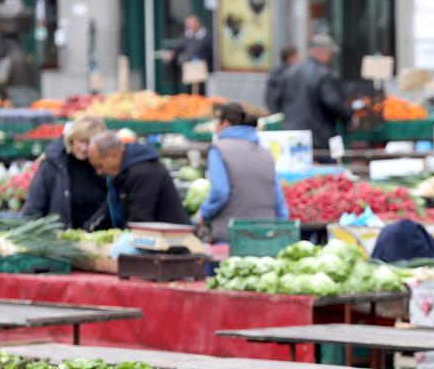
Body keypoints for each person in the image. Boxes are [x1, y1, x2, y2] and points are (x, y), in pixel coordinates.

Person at [196, 102, 288, 240]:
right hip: (266, 235)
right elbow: (278, 199)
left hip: (230, 235)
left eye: (217, 123)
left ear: (225, 124)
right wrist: (282, 228)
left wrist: (203, 214)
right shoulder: (265, 152)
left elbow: (220, 192)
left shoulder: (218, 149)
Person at [87, 131, 190, 228]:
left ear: (113, 155)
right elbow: (109, 208)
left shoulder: (143, 173)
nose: (98, 172)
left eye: (99, 165)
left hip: (172, 242)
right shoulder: (122, 172)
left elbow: (139, 220)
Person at [21, 116, 108, 228]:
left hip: (97, 238)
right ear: (72, 139)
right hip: (59, 239)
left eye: (89, 143)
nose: (83, 148)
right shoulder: (53, 164)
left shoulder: (104, 166)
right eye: (81, 141)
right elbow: (34, 205)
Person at [276, 34, 352, 150]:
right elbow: (333, 103)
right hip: (318, 138)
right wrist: (348, 116)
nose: (330, 57)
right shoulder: (323, 74)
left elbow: (278, 101)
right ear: (323, 52)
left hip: (291, 136)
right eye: (330, 53)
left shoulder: (290, 72)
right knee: (324, 167)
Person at [165, 14, 213, 90]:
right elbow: (180, 46)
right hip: (191, 68)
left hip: (204, 69)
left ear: (197, 24)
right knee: (190, 90)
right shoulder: (187, 36)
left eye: (191, 24)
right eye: (187, 25)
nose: (189, 27)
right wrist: (172, 52)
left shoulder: (208, 37)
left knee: (202, 89)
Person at [264, 45, 299, 114]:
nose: (298, 60)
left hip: (276, 113)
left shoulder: (275, 72)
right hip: (285, 114)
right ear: (291, 57)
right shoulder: (291, 73)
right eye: (297, 57)